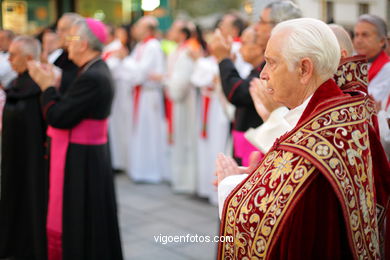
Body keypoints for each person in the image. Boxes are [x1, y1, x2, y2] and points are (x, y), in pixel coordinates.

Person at [217, 18, 390, 259]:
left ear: (304, 69)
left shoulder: (313, 142)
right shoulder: (342, 113)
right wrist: (260, 178)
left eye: (271, 63)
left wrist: (230, 186)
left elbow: (279, 224)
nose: (264, 74)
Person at [28, 17, 123, 260]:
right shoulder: (92, 69)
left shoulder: (93, 76)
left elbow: (58, 116)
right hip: (86, 154)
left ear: (82, 44)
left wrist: (47, 87)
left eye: (70, 39)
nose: (66, 45)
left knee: (83, 217)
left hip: (83, 158)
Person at [210, 0, 302, 166]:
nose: (257, 27)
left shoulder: (289, 64)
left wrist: (224, 59)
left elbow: (238, 93)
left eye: (261, 22)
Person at [0, 36, 47, 260]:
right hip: (13, 159)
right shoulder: (14, 83)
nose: (8, 59)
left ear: (29, 58)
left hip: (34, 160)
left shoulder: (40, 86)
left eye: (13, 54)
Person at [109, 16, 167, 183]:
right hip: (139, 95)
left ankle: (150, 170)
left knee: (148, 132)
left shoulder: (153, 46)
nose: (134, 29)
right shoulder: (141, 46)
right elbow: (132, 73)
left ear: (148, 29)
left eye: (139, 26)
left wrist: (124, 60)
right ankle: (140, 168)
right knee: (140, 132)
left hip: (148, 95)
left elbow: (139, 73)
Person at [165, 20, 197, 193]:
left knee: (185, 139)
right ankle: (178, 177)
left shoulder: (188, 51)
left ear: (183, 34)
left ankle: (185, 181)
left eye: (174, 29)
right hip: (176, 99)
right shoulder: (177, 50)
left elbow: (182, 81)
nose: (170, 31)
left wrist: (168, 84)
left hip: (184, 102)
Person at [354, 14, 390, 106]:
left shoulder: (387, 69)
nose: (358, 40)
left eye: (364, 35)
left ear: (381, 41)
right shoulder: (352, 64)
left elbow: (370, 102)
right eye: (356, 35)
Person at [54, 13, 81, 94]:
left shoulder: (80, 58)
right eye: (57, 30)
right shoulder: (62, 55)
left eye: (62, 30)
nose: (58, 34)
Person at [218, 12, 252, 78]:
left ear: (235, 30)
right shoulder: (232, 47)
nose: (220, 27)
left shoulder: (235, 48)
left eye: (223, 25)